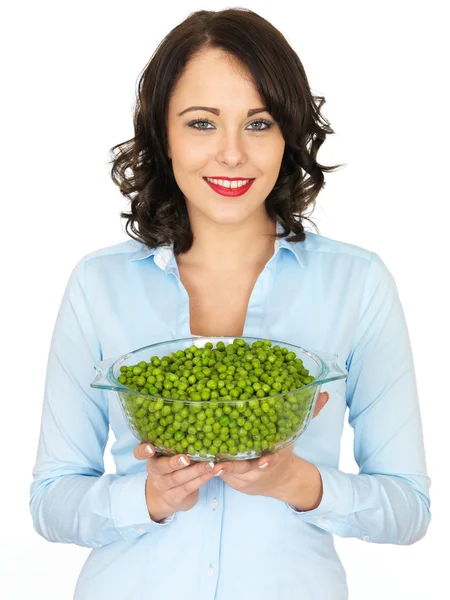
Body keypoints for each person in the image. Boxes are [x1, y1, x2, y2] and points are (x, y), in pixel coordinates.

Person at [29, 8, 431, 600]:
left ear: (288, 133)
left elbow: (408, 508)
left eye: (259, 123)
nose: (232, 154)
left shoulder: (358, 283)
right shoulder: (99, 284)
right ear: (162, 134)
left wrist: (299, 483)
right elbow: (51, 500)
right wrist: (148, 497)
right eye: (201, 124)